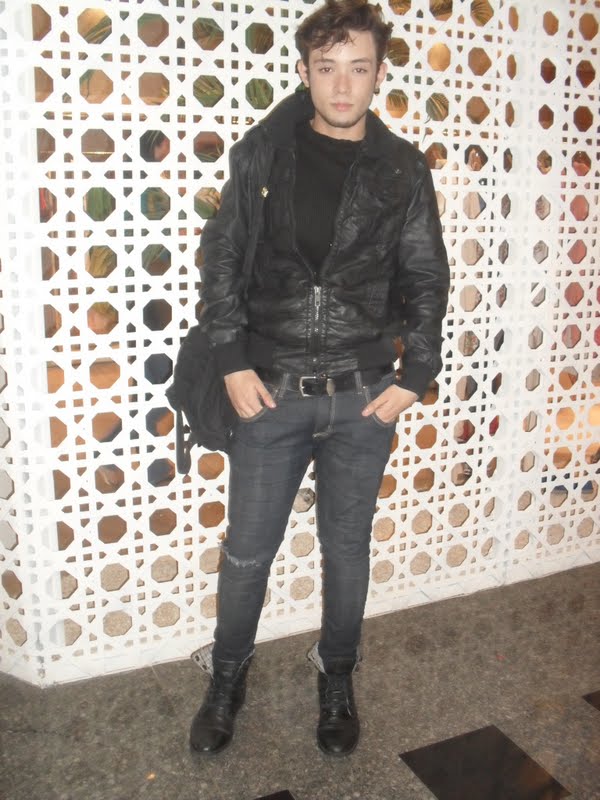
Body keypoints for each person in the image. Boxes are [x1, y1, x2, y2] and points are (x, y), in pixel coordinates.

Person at [189, 0, 449, 757]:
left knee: (348, 550)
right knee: (247, 552)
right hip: (271, 392)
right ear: (304, 72)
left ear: (378, 74)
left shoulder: (403, 169)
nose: (342, 85)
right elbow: (222, 257)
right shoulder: (264, 154)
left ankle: (337, 674)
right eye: (327, 67)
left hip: (363, 397)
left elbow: (425, 274)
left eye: (357, 68)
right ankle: (227, 675)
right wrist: (232, 359)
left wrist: (417, 372)